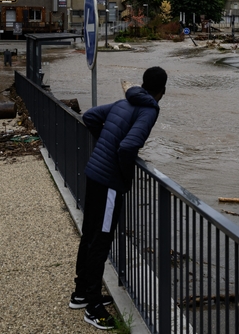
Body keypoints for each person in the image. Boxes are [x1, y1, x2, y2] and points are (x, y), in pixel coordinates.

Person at [69, 66, 168, 330]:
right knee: (100, 240)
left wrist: (105, 146)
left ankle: (80, 293)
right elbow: (127, 147)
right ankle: (92, 306)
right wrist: (124, 178)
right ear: (163, 92)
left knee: (90, 234)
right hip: (109, 182)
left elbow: (90, 117)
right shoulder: (149, 110)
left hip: (94, 174)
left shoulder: (125, 101)